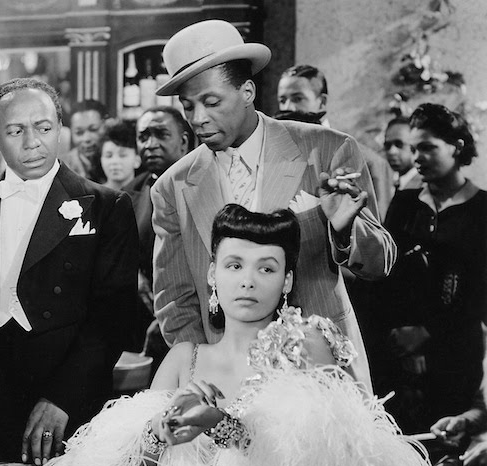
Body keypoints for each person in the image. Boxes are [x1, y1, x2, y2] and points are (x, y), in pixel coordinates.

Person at [40, 204, 443, 466]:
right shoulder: (185, 359)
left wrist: (224, 425)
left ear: (287, 281)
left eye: (266, 268)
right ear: (213, 274)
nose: (248, 281)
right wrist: (161, 430)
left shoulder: (306, 345)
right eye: (234, 266)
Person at [151, 20, 396, 390]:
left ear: (247, 90)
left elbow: (379, 265)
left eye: (212, 102)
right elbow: (175, 298)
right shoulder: (172, 187)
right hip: (225, 389)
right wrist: (206, 372)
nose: (198, 119)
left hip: (321, 378)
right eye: (188, 107)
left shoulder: (327, 150)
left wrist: (345, 230)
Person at [0, 78, 138, 466]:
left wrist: (63, 397)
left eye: (43, 127)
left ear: (60, 128)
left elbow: (113, 319)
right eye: (15, 130)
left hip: (70, 399)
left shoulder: (108, 207)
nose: (32, 142)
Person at [375, 103, 486, 437]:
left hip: (455, 354)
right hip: (398, 354)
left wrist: (427, 334)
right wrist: (401, 336)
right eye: (414, 149)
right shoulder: (405, 204)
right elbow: (386, 276)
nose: (417, 157)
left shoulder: (482, 210)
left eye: (427, 147)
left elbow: (479, 293)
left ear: (457, 147)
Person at [277, 64, 396, 221]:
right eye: (282, 100)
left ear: (322, 102)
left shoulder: (368, 161)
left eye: (298, 98)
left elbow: (376, 232)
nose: (288, 107)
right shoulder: (273, 153)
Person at [127, 106, 192, 368]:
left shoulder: (202, 185)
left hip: (191, 313)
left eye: (161, 135)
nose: (151, 144)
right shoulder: (129, 194)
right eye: (144, 137)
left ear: (184, 142)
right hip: (141, 316)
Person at [61, 99, 107, 183]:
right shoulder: (62, 169)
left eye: (93, 130)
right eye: (79, 133)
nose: (86, 139)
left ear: (105, 126)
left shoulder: (117, 161)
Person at [384, 115, 423, 195]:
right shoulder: (389, 184)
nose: (392, 151)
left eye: (399, 144)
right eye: (387, 145)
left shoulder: (423, 186)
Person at [98, 119, 140, 191]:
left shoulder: (147, 195)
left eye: (122, 155)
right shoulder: (94, 195)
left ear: (137, 160)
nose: (115, 161)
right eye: (109, 156)